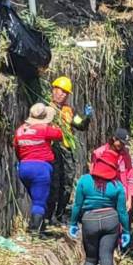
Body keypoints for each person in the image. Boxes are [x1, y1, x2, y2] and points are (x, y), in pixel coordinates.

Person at [69, 150, 130, 265]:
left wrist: (73, 223)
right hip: (111, 220)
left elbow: (77, 205)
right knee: (106, 255)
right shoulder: (117, 186)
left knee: (91, 258)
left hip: (89, 221)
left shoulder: (84, 181)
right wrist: (126, 230)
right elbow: (122, 212)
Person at [47, 76, 94, 226]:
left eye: (65, 93)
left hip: (66, 150)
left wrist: (87, 117)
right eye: (60, 91)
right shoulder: (46, 107)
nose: (62, 95)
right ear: (53, 90)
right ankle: (50, 215)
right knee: (54, 183)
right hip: (53, 149)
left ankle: (60, 214)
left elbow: (80, 125)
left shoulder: (69, 111)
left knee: (67, 182)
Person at [13, 103, 63, 234]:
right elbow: (59, 135)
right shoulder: (44, 129)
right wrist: (53, 126)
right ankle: (35, 230)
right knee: (39, 202)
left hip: (24, 168)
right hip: (41, 168)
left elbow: (17, 149)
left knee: (35, 197)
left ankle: (40, 226)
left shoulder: (20, 130)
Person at [91, 128, 133, 222]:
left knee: (124, 225)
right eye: (120, 143)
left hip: (122, 196)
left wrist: (129, 199)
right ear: (114, 139)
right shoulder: (99, 153)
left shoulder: (125, 155)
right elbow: (93, 176)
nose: (122, 146)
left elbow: (130, 177)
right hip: (105, 196)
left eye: (124, 144)